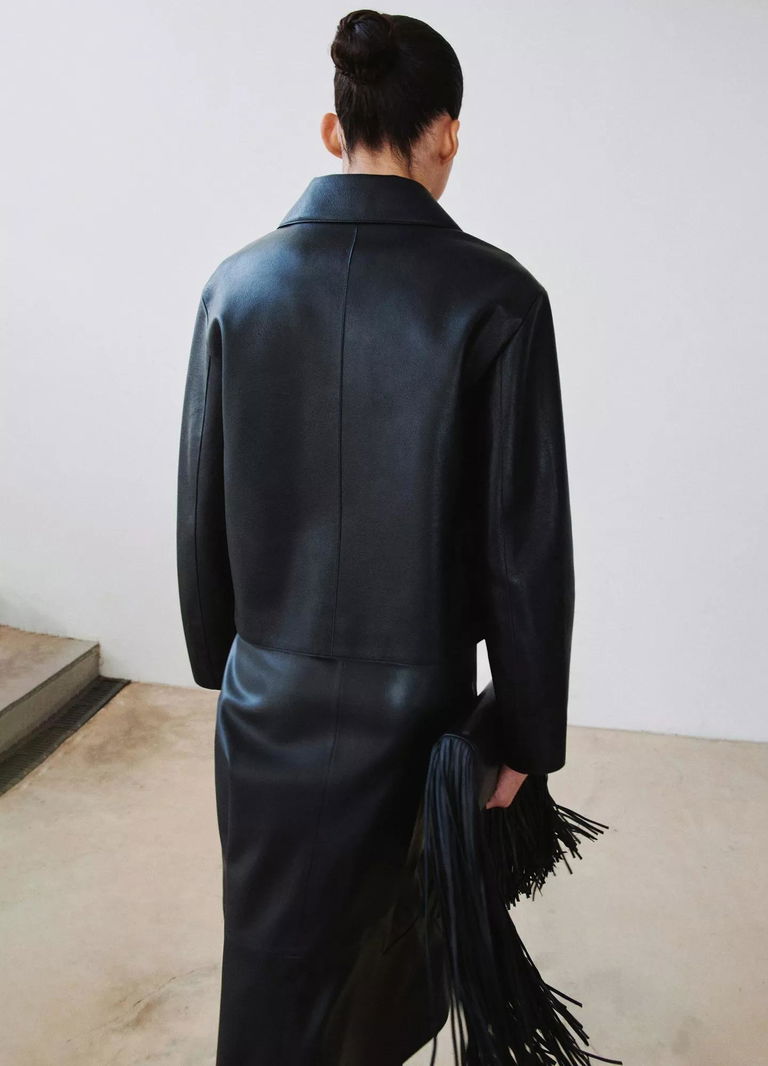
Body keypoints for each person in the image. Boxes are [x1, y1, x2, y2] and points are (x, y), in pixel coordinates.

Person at [176, 9, 575, 1065]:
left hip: (266, 703)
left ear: (331, 129)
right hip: (419, 719)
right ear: (447, 133)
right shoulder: (500, 300)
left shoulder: (236, 287)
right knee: (386, 984)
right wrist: (526, 737)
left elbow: (200, 506)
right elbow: (523, 549)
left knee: (271, 979)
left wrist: (224, 661)